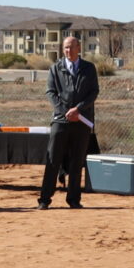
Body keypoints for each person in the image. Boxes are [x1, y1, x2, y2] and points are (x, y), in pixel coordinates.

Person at [40, 35, 98, 209]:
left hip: (82, 121)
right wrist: (65, 112)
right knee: (53, 160)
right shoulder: (55, 68)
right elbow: (50, 92)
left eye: (71, 47)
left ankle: (73, 199)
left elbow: (93, 92)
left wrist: (78, 109)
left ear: (79, 48)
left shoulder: (89, 68)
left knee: (77, 161)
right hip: (61, 120)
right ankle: (44, 199)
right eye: (65, 47)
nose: (68, 50)